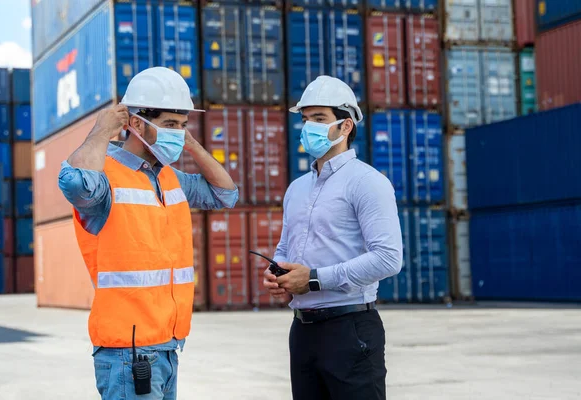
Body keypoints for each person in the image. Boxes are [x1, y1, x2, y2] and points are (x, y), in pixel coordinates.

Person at [58, 67, 238, 399]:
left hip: (167, 345)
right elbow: (73, 183)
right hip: (129, 352)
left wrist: (191, 143)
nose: (178, 134)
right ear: (137, 124)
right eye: (170, 125)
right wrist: (101, 129)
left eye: (183, 125)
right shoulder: (105, 177)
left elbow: (226, 194)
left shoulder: (170, 178)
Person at [263, 75, 403, 400]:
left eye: (319, 118)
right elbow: (286, 247)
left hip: (351, 329)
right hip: (302, 332)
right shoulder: (296, 188)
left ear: (346, 126)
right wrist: (277, 275)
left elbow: (388, 257)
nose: (308, 126)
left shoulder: (368, 182)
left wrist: (312, 280)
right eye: (305, 119)